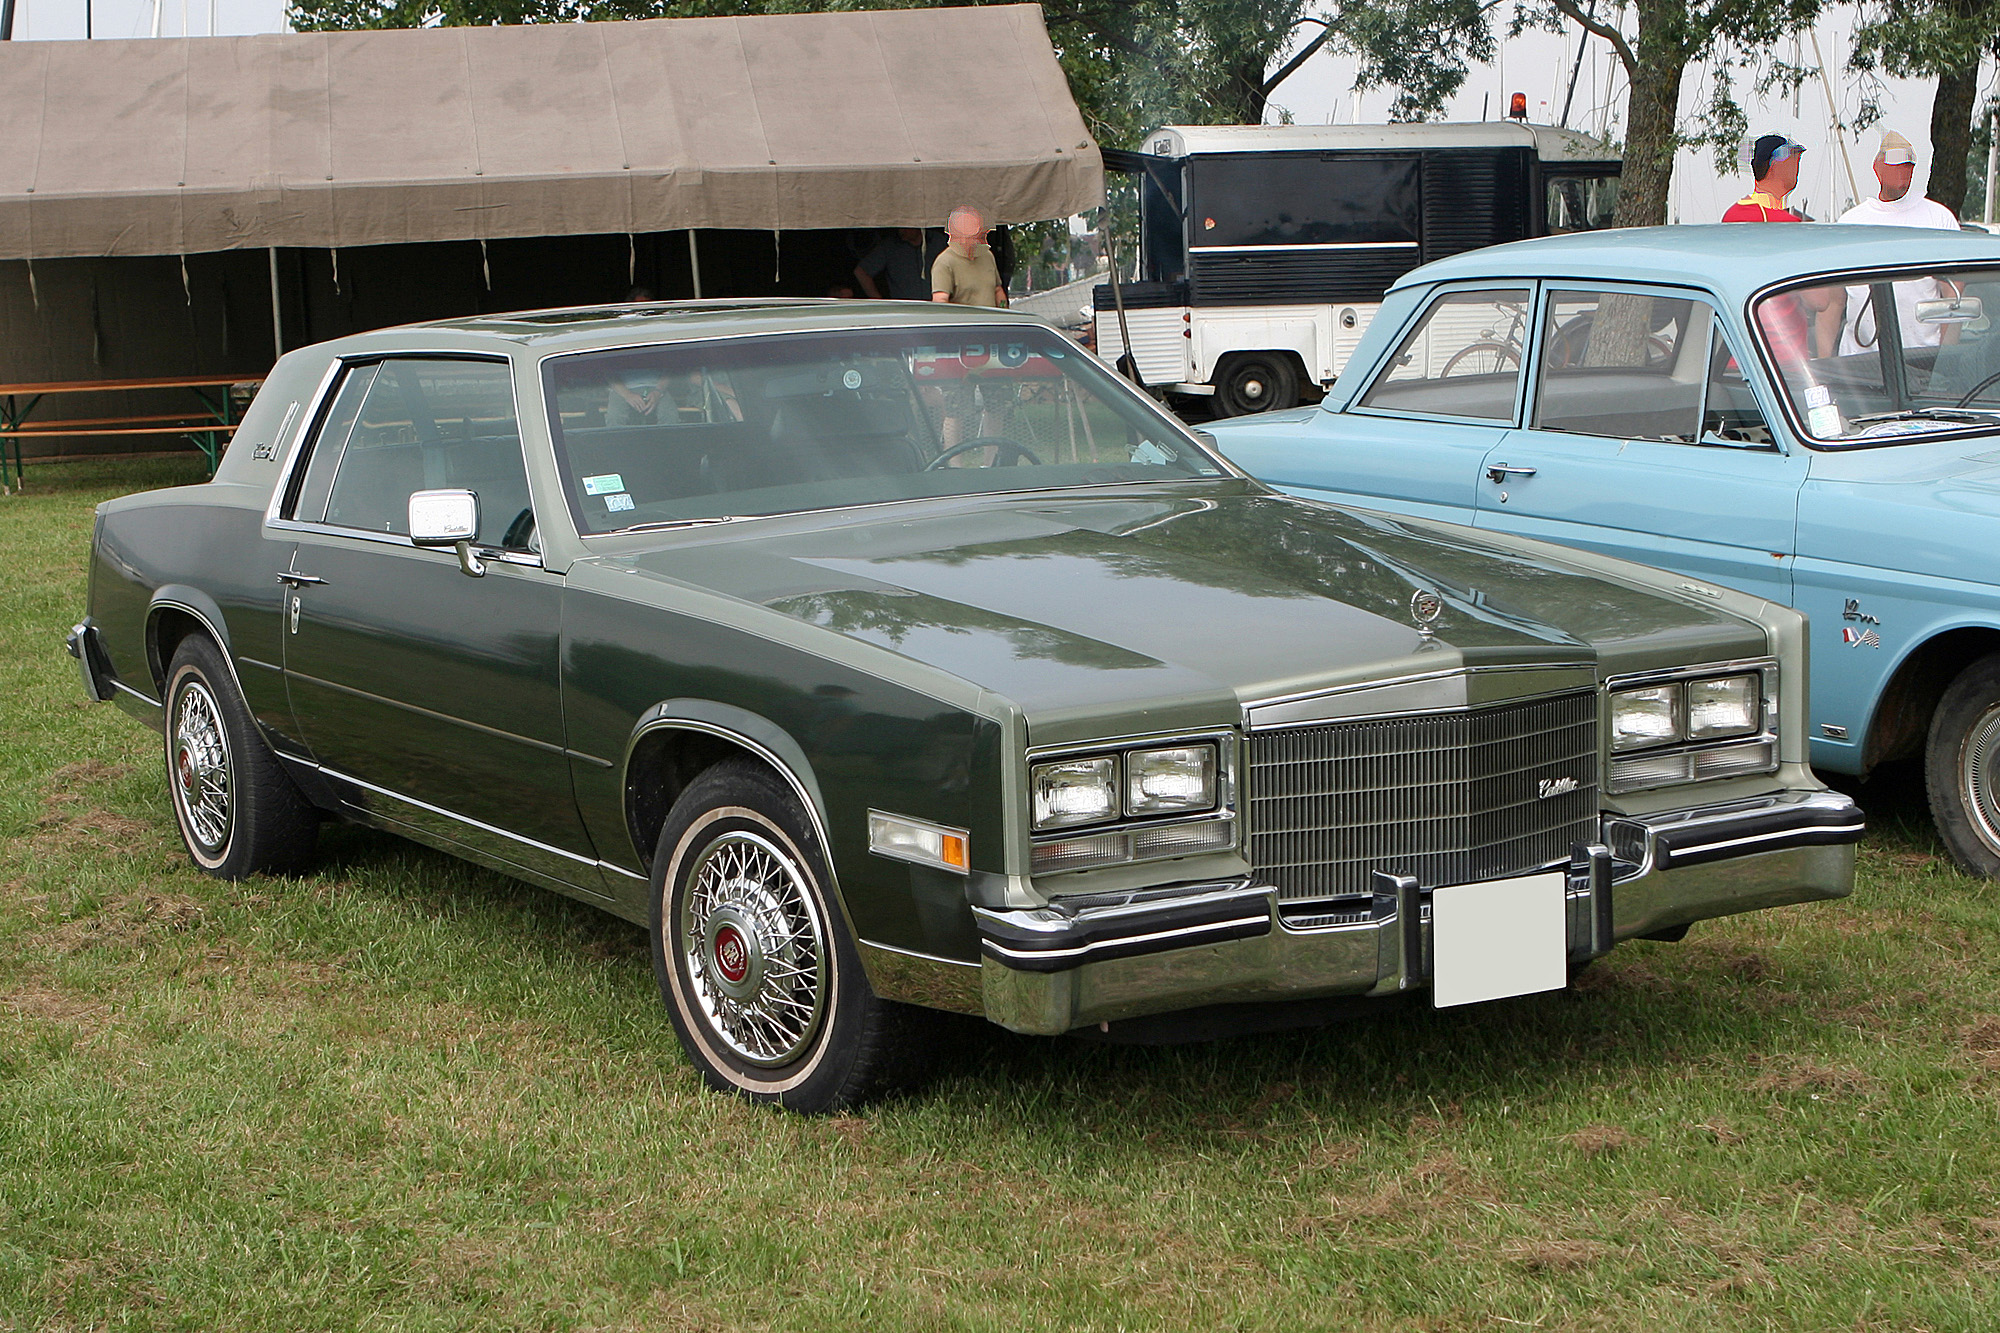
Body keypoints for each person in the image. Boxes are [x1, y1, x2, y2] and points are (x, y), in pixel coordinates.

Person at [1833, 130, 1963, 356]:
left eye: (1907, 167)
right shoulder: (1850, 224)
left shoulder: (1939, 219)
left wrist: (1943, 358)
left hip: (1920, 357)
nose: (1903, 174)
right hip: (1858, 360)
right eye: (1895, 166)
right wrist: (1826, 363)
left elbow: (1954, 298)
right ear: (1877, 168)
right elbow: (1832, 303)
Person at [1726, 134, 1841, 357]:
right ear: (1777, 164)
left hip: (1737, 354)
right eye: (1795, 160)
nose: (1797, 167)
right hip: (1783, 358)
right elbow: (1819, 300)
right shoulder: (1788, 226)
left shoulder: (1732, 215)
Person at [931, 206, 1008, 308]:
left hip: (992, 322)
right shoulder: (944, 262)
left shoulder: (987, 256)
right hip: (966, 323)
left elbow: (997, 290)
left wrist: (1004, 311)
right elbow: (940, 302)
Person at [853, 229, 931, 301]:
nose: (901, 231)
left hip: (935, 309)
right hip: (902, 311)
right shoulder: (890, 246)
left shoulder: (938, 242)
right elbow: (861, 272)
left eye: (905, 226)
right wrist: (879, 302)